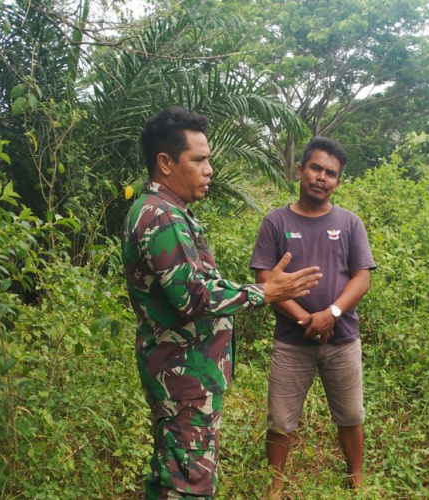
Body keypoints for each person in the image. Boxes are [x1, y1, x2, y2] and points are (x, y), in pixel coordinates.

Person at [121, 106, 322, 499]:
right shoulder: (161, 217)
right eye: (198, 160)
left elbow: (199, 284)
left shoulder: (167, 211)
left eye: (208, 159)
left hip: (185, 373)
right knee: (189, 484)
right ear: (165, 163)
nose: (209, 169)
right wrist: (265, 292)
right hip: (183, 374)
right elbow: (192, 297)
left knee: (173, 475)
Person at [249, 137, 376, 494]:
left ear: (338, 182)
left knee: (351, 416)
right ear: (300, 170)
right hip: (292, 341)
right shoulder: (275, 221)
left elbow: (362, 277)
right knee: (280, 420)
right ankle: (275, 487)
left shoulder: (350, 223)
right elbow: (264, 279)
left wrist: (331, 313)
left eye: (330, 173)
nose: (321, 177)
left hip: (342, 339)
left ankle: (356, 483)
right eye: (316, 168)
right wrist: (307, 320)